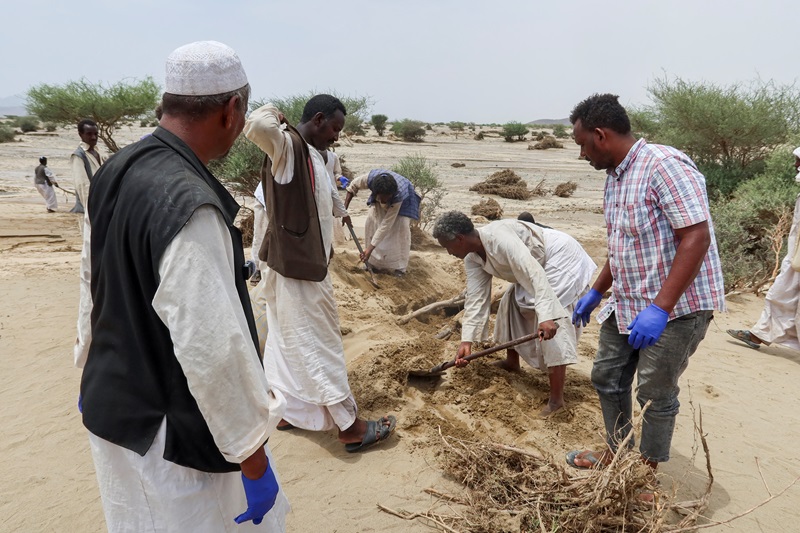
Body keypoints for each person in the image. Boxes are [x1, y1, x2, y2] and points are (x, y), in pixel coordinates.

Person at [74, 41, 289, 531]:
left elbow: (91, 284)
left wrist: (87, 364)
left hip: (111, 409)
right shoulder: (191, 206)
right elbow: (213, 347)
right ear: (233, 110)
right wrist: (252, 459)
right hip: (168, 442)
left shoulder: (115, 169)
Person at [565, 93, 725, 472]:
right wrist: (596, 290)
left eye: (582, 145)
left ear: (600, 135)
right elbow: (623, 244)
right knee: (606, 375)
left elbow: (696, 236)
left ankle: (643, 473)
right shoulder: (616, 178)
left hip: (677, 308)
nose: (582, 155)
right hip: (629, 299)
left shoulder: (663, 165)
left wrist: (660, 308)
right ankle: (616, 452)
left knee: (654, 392)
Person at [244, 94, 397, 452]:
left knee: (285, 341)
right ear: (317, 119)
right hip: (299, 269)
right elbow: (256, 126)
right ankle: (349, 427)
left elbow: (328, 199)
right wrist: (274, 113)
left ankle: (288, 411)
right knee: (320, 343)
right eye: (334, 128)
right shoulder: (288, 147)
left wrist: (343, 208)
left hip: (294, 265)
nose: (336, 136)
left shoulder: (313, 154)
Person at [432, 211, 578, 417]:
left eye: (447, 247)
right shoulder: (472, 258)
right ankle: (512, 362)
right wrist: (467, 341)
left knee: (554, 312)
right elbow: (476, 298)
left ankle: (556, 400)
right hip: (535, 265)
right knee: (510, 301)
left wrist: (546, 316)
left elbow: (533, 272)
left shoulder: (499, 238)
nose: (448, 252)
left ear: (460, 239)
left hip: (559, 257)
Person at [727, 146, 800, 351]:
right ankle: (759, 334)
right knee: (779, 294)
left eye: (799, 161)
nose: (796, 165)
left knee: (781, 295)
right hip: (795, 257)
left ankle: (759, 334)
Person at [344, 169, 421, 276]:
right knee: (371, 223)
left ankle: (399, 268)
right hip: (379, 197)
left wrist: (369, 249)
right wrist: (344, 210)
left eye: (387, 197)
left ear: (392, 194)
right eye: (381, 197)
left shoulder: (399, 194)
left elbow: (386, 225)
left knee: (400, 228)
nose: (384, 201)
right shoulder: (369, 179)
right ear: (375, 192)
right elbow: (352, 186)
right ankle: (371, 264)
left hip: (405, 203)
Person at [70, 118, 105, 228]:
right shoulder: (78, 156)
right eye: (89, 134)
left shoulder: (99, 152)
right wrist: (89, 209)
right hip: (89, 207)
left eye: (95, 134)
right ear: (81, 134)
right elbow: (82, 185)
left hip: (102, 203)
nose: (93, 137)